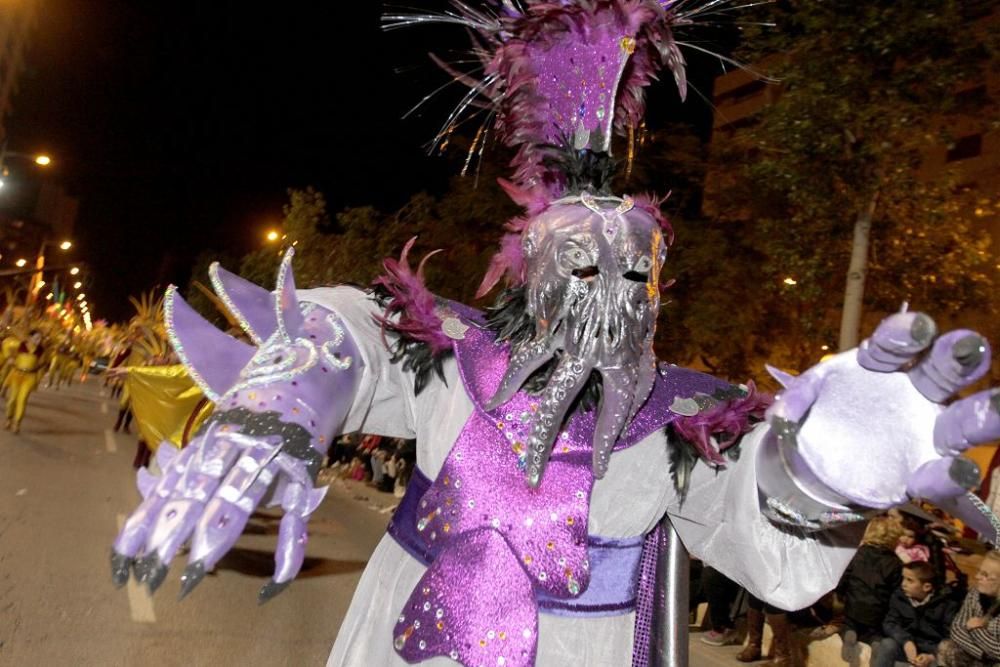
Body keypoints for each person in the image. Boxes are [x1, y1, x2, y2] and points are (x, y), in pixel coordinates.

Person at [111, 3, 1000, 666]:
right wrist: (288, 394)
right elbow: (356, 326)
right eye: (580, 263)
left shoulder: (691, 417)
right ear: (531, 270)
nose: (608, 286)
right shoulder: (452, 360)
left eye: (633, 270)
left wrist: (820, 472)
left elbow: (762, 542)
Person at [874, 561, 960, 667]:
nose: (903, 584)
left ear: (927, 587)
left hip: (932, 653)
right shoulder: (899, 597)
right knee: (887, 644)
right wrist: (906, 641)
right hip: (908, 646)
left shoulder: (947, 605)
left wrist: (932, 656)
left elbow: (950, 639)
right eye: (903, 578)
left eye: (909, 580)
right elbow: (890, 622)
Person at [841, 516, 906, 655]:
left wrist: (841, 595)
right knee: (875, 632)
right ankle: (875, 642)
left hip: (853, 605)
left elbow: (845, 577)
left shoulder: (858, 553)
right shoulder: (896, 563)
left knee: (849, 623)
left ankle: (849, 633)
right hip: (877, 611)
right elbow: (896, 591)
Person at [938, 551, 1000, 667]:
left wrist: (975, 630)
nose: (977, 577)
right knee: (947, 647)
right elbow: (957, 628)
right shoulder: (975, 593)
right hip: (982, 655)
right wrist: (982, 654)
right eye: (979, 571)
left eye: (985, 574)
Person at [4, 329, 45, 434]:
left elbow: (43, 363)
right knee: (13, 398)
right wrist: (9, 358)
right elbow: (7, 345)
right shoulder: (20, 345)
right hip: (17, 374)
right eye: (36, 338)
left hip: (29, 377)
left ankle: (17, 423)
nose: (39, 341)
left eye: (40, 338)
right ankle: (9, 419)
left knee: (22, 399)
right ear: (30, 337)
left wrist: (36, 368)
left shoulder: (41, 350)